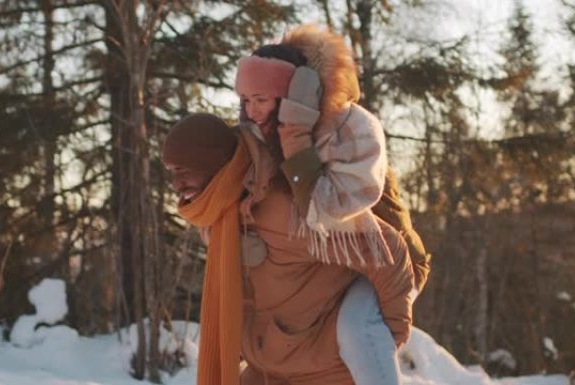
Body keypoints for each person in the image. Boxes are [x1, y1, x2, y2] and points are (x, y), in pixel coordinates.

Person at [232, 24, 432, 384]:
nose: (252, 111)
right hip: (338, 263)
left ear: (294, 95)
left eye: (261, 100)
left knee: (356, 330)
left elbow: (323, 212)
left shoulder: (351, 129)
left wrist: (295, 135)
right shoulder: (258, 135)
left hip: (389, 260)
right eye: (245, 100)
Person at [163, 112, 414, 385]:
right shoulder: (218, 218)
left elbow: (387, 249)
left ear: (212, 165)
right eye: (172, 173)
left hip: (324, 374)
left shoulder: (287, 212)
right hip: (267, 372)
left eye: (183, 172)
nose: (176, 185)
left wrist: (386, 336)